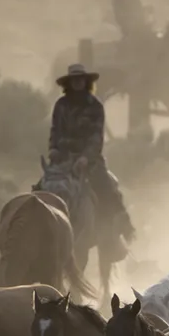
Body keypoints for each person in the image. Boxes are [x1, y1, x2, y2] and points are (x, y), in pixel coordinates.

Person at [48, 64, 135, 243]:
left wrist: (85, 158)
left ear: (86, 82)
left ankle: (117, 233)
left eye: (81, 79)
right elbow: (55, 130)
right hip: (62, 159)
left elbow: (96, 137)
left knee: (106, 190)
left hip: (89, 160)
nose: (78, 82)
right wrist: (53, 149)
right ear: (69, 83)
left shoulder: (95, 106)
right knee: (43, 188)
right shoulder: (61, 105)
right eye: (74, 80)